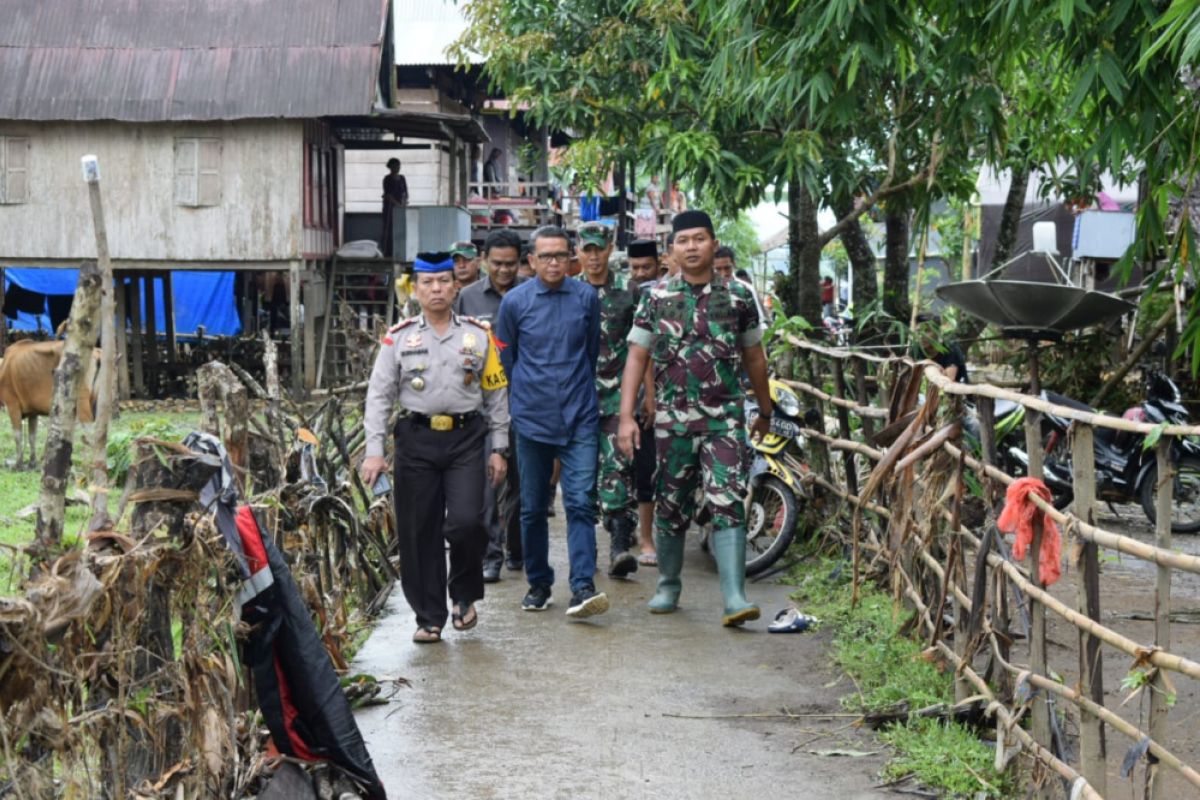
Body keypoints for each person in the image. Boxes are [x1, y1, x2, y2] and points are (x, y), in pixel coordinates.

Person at [617, 211, 773, 627]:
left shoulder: (738, 296)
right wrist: (625, 417)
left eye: (699, 239)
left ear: (712, 242)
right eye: (683, 240)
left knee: (727, 501)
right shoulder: (656, 297)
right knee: (671, 504)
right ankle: (668, 583)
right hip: (672, 423)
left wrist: (766, 408)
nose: (691, 247)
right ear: (672, 249)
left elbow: (755, 356)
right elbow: (637, 356)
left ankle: (734, 596)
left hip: (725, 419)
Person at [361, 252, 510, 644]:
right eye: (428, 283)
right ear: (417, 288)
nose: (437, 289)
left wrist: (499, 447)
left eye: (444, 281)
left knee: (467, 522)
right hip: (416, 439)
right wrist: (373, 451)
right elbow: (379, 396)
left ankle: (463, 595)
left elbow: (495, 393)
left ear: (455, 285)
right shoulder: (398, 337)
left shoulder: (478, 336)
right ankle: (429, 615)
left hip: (466, 438)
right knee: (418, 529)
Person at [494, 226, 608, 618]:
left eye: (561, 255)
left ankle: (582, 587)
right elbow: (507, 361)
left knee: (580, 502)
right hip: (531, 420)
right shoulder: (514, 303)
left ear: (571, 257)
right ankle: (539, 583)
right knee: (532, 506)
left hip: (579, 418)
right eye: (546, 256)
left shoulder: (586, 297)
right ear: (532, 261)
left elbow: (590, 353)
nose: (554, 262)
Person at [454, 230, 528, 581]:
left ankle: (516, 547)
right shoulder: (467, 298)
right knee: (487, 484)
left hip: (527, 403)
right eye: (496, 263)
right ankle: (491, 556)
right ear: (484, 261)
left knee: (522, 484)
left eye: (510, 264)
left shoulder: (532, 292)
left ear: (521, 262)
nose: (503, 270)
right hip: (482, 407)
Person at [577, 222, 642, 578]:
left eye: (598, 248)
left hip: (618, 396)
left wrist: (642, 400)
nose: (593, 256)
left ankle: (619, 547)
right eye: (586, 249)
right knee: (584, 478)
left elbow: (641, 347)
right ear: (578, 252)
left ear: (610, 248)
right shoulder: (569, 292)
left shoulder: (629, 292)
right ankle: (586, 552)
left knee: (617, 468)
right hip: (578, 398)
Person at [626, 239, 662, 566]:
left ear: (659, 264)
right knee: (640, 468)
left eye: (645, 267)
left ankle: (650, 535)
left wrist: (651, 394)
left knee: (654, 470)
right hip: (628, 397)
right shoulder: (623, 295)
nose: (639, 273)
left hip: (668, 395)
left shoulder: (665, 294)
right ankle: (640, 537)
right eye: (634, 268)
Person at [380, 158, 408, 258]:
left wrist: (404, 204)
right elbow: (388, 195)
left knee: (400, 230)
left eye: (399, 165)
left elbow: (405, 193)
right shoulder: (387, 179)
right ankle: (387, 252)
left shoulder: (402, 178)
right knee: (389, 230)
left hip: (400, 209)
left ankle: (399, 251)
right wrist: (398, 205)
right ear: (390, 167)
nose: (397, 168)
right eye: (395, 165)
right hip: (389, 209)